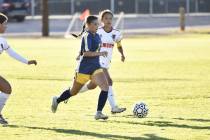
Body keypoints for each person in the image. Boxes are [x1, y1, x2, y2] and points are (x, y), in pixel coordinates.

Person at [51, 15, 109, 120]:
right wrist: (100, 53)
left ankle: (99, 113)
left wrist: (80, 53)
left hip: (95, 67)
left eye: (98, 24)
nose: (97, 26)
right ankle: (57, 100)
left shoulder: (97, 35)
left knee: (105, 86)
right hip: (83, 69)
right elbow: (86, 53)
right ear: (88, 25)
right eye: (95, 24)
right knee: (73, 92)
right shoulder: (87, 35)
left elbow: (84, 50)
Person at [78, 10, 126, 114]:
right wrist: (79, 53)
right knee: (109, 81)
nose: (108, 20)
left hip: (106, 61)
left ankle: (73, 91)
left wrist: (122, 54)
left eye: (110, 18)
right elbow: (86, 43)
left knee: (92, 85)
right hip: (97, 61)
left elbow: (119, 44)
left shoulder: (116, 33)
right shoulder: (97, 31)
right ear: (102, 20)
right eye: (106, 18)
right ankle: (114, 107)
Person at [0, 13, 37, 125]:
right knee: (6, 88)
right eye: (4, 24)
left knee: (7, 89)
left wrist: (27, 61)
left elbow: (12, 53)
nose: (6, 26)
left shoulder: (2, 41)